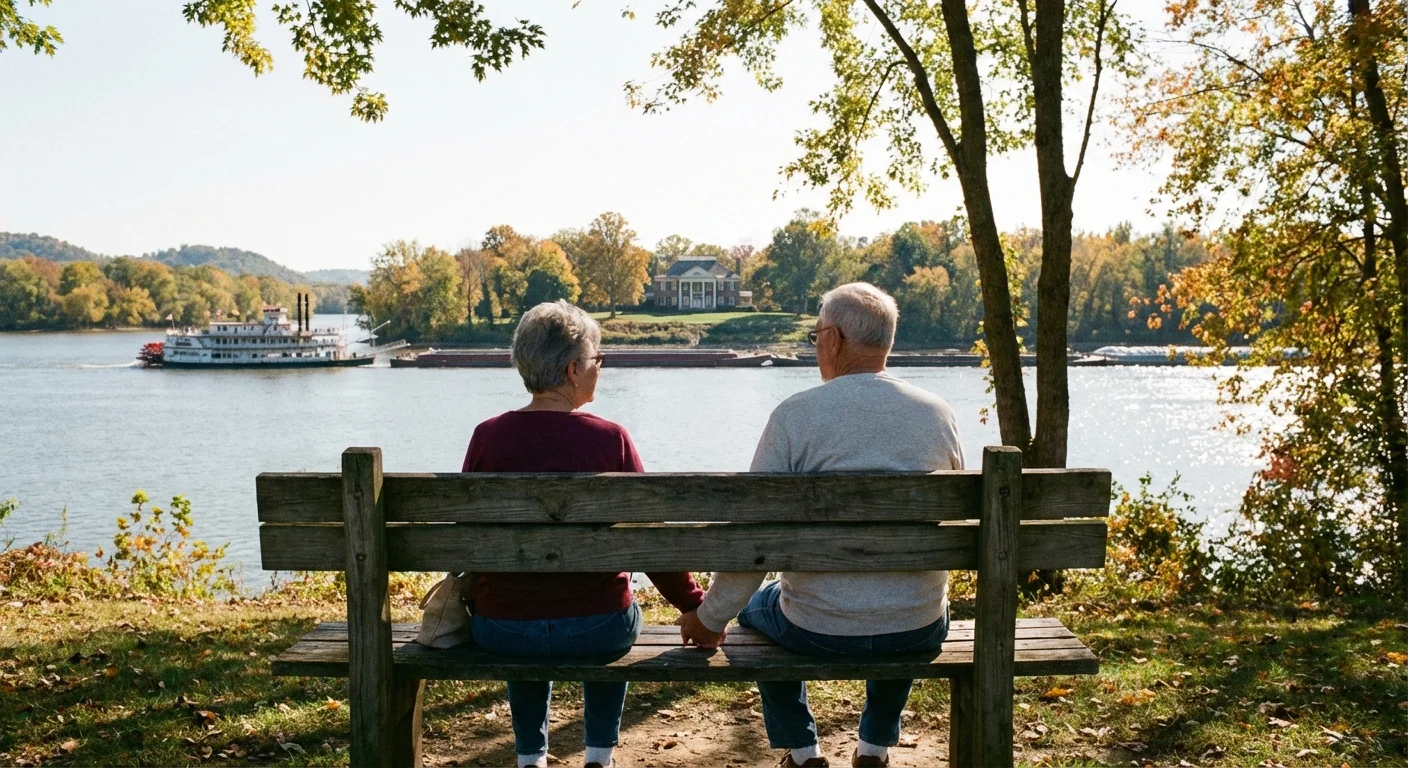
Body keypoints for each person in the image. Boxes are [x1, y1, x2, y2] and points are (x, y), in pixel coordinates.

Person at [677, 283, 964, 768]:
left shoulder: (795, 416)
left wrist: (710, 617)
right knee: (903, 600)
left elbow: (755, 541)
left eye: (814, 338)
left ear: (831, 339)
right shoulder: (938, 414)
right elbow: (954, 520)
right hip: (916, 627)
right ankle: (874, 747)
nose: (815, 349)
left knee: (756, 611)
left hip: (816, 627)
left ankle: (803, 750)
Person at [464, 301, 706, 768]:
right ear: (574, 369)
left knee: (524, 609)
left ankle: (530, 757)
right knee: (611, 610)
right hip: (599, 628)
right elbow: (649, 537)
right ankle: (599, 756)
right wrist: (693, 604)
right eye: (597, 360)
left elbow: (471, 534)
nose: (600, 369)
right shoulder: (610, 438)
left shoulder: (487, 436)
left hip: (502, 627)